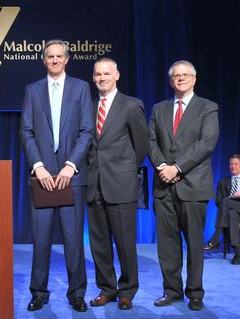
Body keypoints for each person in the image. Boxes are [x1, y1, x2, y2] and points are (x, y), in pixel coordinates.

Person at [20, 39, 92, 312]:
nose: (54, 60)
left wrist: (70, 165)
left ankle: (77, 293)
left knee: (74, 241)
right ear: (44, 60)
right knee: (40, 240)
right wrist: (38, 165)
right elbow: (26, 130)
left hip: (70, 177)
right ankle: (39, 292)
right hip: (43, 178)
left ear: (67, 59)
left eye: (59, 56)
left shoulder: (81, 88)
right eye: (50, 56)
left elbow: (87, 131)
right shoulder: (32, 90)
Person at [149, 60, 219, 311]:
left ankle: (195, 293)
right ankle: (172, 291)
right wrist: (162, 167)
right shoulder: (159, 108)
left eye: (185, 75)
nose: (180, 79)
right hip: (163, 186)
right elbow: (151, 140)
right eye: (176, 76)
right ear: (171, 81)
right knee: (167, 245)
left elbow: (206, 143)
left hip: (193, 186)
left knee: (194, 243)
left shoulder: (208, 108)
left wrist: (176, 168)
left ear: (194, 79)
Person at [86, 58, 148, 310]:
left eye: (106, 74)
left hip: (121, 185)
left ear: (117, 75)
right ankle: (107, 288)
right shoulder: (88, 107)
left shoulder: (132, 105)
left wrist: (124, 170)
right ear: (93, 78)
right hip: (93, 185)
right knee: (99, 244)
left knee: (124, 243)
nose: (102, 78)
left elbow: (141, 145)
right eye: (98, 74)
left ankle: (127, 291)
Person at [204, 154, 240, 264]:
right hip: (230, 213)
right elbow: (217, 202)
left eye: (236, 164)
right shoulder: (223, 182)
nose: (233, 166)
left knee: (226, 201)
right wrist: (231, 200)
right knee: (231, 213)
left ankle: (215, 238)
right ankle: (238, 254)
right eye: (231, 164)